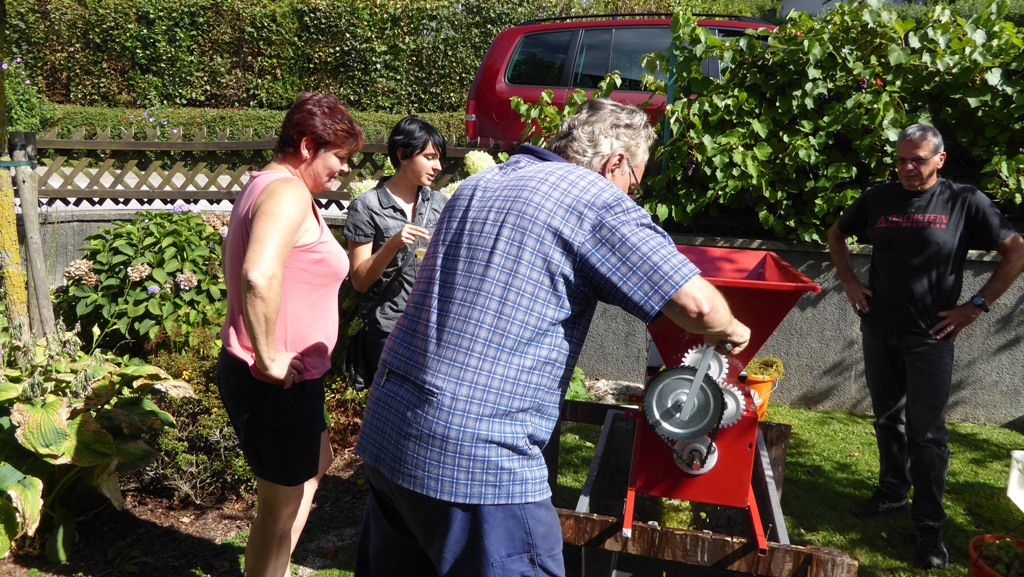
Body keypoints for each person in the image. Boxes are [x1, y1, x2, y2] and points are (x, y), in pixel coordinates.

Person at [353, 98, 751, 577]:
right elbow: (697, 306)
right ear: (616, 162)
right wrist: (732, 328)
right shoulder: (592, 198)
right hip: (478, 459)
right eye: (634, 185)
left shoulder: (481, 183)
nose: (631, 197)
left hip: (389, 431)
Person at [827, 123, 1024, 570]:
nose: (908, 168)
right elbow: (836, 234)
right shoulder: (878, 198)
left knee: (928, 433)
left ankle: (929, 526)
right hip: (879, 328)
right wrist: (850, 281)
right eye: (901, 160)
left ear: (940, 159)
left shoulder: (963, 200)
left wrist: (976, 306)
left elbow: (1015, 250)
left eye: (917, 159)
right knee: (887, 418)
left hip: (930, 335)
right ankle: (893, 492)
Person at [217, 92, 364, 577]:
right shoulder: (286, 193)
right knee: (278, 514)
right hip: (276, 381)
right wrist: (269, 356)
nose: (343, 169)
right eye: (339, 157)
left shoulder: (267, 184)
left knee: (317, 461)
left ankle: (276, 568)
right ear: (307, 146)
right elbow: (257, 274)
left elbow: (234, 265)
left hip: (289, 378)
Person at [342, 116, 449, 390]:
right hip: (388, 330)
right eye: (429, 157)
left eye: (438, 158)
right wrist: (392, 244)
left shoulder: (439, 203)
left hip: (431, 328)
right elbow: (360, 280)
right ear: (402, 154)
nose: (438, 166)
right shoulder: (367, 206)